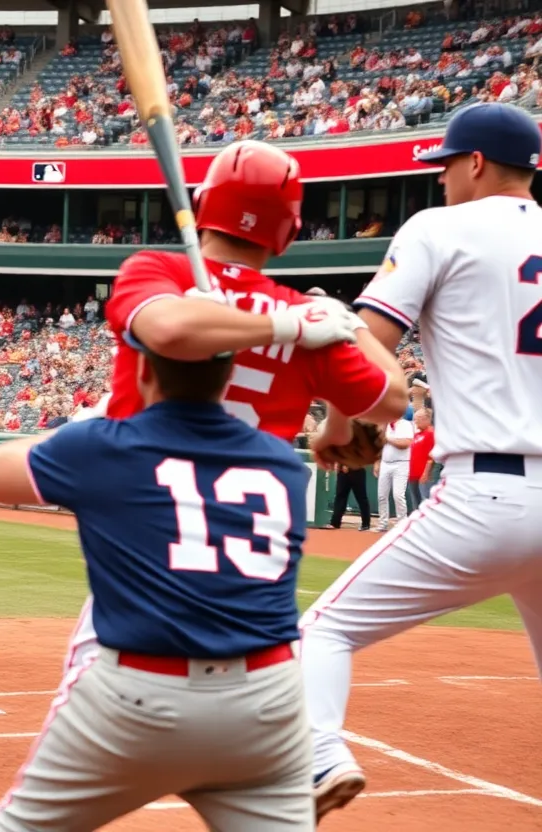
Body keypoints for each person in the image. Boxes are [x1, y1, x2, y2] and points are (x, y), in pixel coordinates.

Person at [60, 140, 408, 687]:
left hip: (139, 567)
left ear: (202, 206)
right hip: (244, 587)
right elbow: (393, 398)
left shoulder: (158, 272)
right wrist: (346, 321)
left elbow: (167, 330)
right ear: (289, 234)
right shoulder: (304, 317)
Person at [301, 102, 542, 821]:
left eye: (446, 166)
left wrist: (340, 426)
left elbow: (361, 346)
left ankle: (317, 754)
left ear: (475, 163)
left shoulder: (440, 227)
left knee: (325, 631)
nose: (440, 181)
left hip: (486, 494)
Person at [0, 347, 314, 831]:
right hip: (268, 699)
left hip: (139, 697)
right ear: (230, 375)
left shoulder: (103, 445)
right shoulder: (283, 461)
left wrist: (95, 420)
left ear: (144, 371)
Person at [374, 414, 414, 530]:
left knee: (398, 495)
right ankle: (382, 523)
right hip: (385, 463)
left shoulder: (405, 424)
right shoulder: (385, 426)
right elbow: (379, 444)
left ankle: (401, 523)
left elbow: (406, 443)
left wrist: (388, 439)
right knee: (382, 495)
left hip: (401, 463)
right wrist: (377, 462)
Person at [406, 407, 435, 511]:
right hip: (413, 473)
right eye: (415, 418)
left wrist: (426, 473)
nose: (415, 421)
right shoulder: (417, 434)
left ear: (426, 418)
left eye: (417, 418)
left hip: (423, 474)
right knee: (415, 501)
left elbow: (431, 457)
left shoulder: (431, 433)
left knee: (425, 500)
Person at [327, 464, 372, 530]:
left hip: (357, 471)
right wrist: (339, 464)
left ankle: (365, 524)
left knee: (361, 498)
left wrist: (349, 465)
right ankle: (335, 523)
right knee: (340, 497)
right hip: (342, 472)